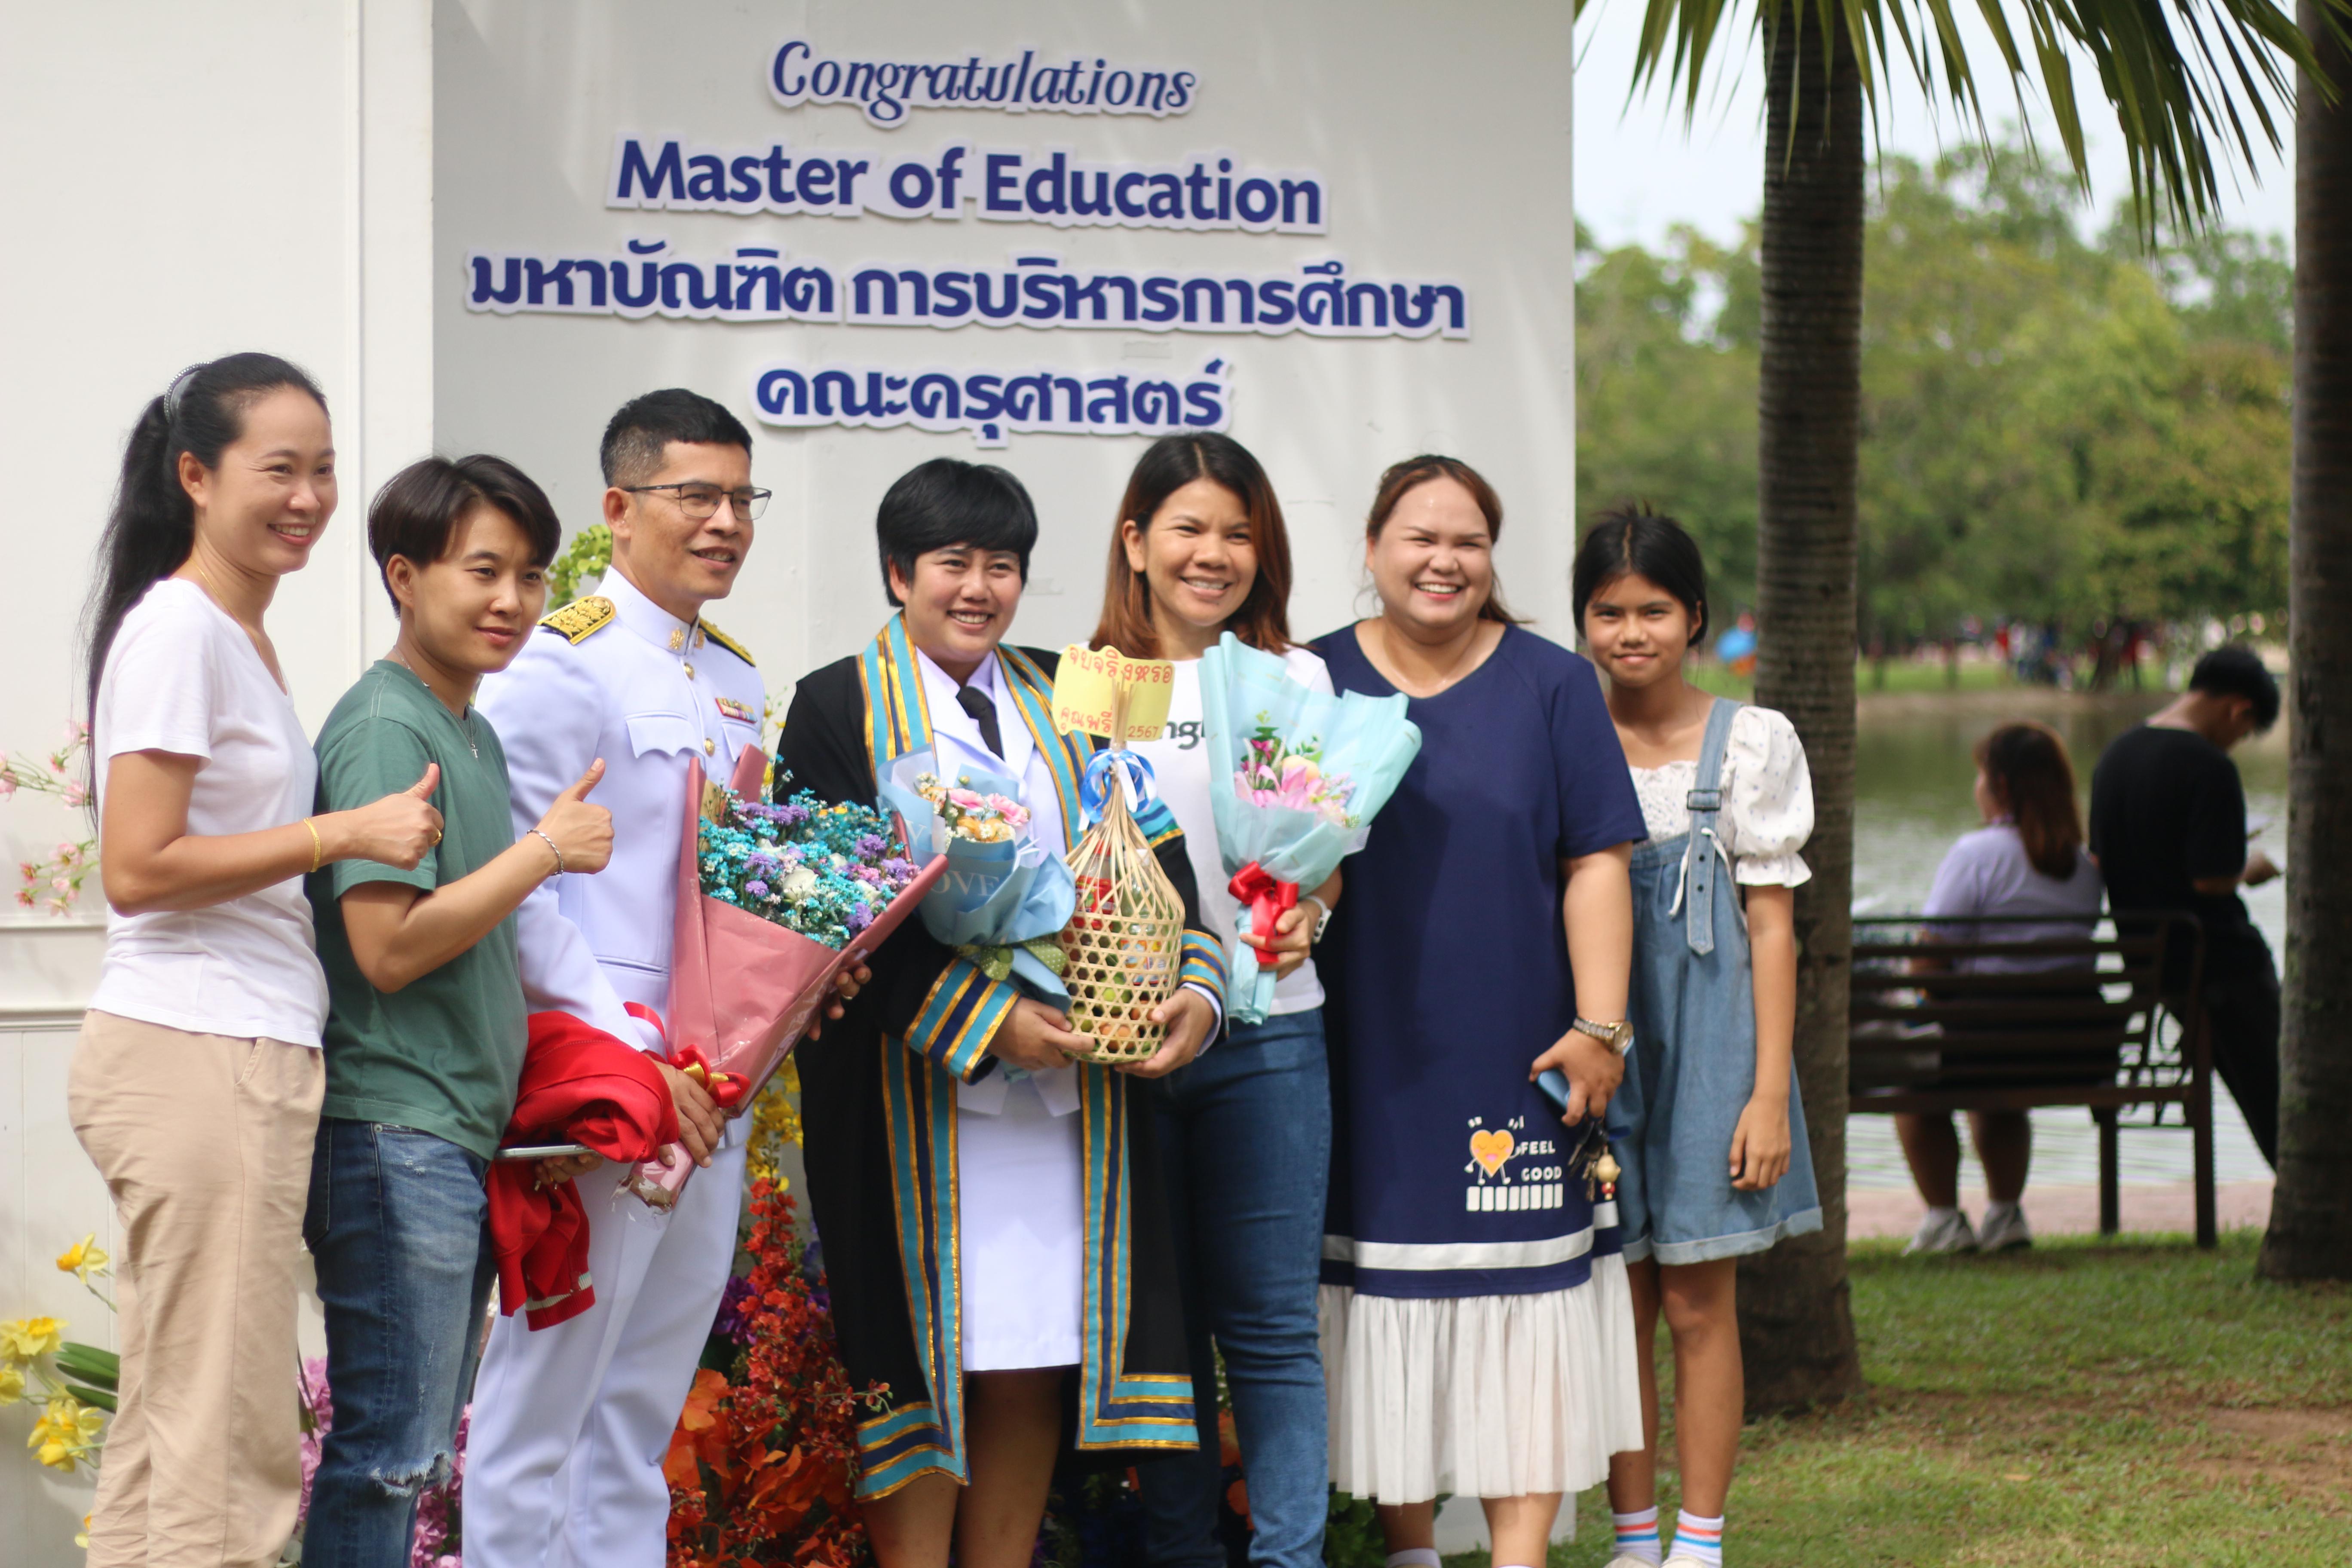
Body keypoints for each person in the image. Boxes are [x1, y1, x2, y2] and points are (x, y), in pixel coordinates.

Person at [778, 456, 1224, 1568]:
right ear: (897, 574)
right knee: (922, 1358)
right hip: (913, 1099)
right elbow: (834, 919)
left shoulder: (1071, 693)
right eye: (951, 564)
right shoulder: (836, 704)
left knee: (1027, 1346)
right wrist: (993, 1027)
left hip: (1066, 1106)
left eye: (1003, 566)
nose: (978, 588)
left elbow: (1159, 865)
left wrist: (1195, 996)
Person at [69, 354, 442, 1568]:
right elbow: (140, 866)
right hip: (201, 1051)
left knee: (172, 1442)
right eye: (277, 469)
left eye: (325, 470)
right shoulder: (182, 628)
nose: (309, 496)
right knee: (226, 1455)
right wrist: (347, 831)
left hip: (225, 1052)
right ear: (194, 475)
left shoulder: (228, 635)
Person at [1311, 456, 1645, 1568]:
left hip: (1522, 1053)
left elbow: (1596, 861)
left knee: (1529, 1309)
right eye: (1419, 537)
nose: (1443, 560)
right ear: (1371, 551)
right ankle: (1409, 1547)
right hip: (1360, 1053)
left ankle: (1519, 1555)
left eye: (1468, 540)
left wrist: (1601, 1030)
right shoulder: (1308, 684)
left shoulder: (1552, 685)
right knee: (1381, 1297)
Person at [463, 390, 773, 1568]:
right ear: (619, 507)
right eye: (697, 495)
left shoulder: (735, 678)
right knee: (543, 1403)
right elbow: (517, 883)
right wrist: (633, 1056)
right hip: (609, 1085)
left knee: (640, 1412)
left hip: (717, 1086)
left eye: (742, 498)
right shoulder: (560, 664)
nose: (726, 522)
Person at [301, 455, 616, 1568]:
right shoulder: (390, 727)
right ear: (403, 574)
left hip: (449, 1135)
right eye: (484, 571)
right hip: (395, 1135)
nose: (513, 602)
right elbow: (386, 952)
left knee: (416, 1453)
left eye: (530, 576)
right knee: (389, 1456)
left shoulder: (468, 728)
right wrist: (542, 853)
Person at [1092, 434, 1338, 1568]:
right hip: (1133, 1050)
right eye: (1189, 528)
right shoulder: (1095, 679)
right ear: (1137, 543)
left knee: (1275, 1331)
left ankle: (1290, 1558)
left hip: (1271, 1036)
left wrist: (1308, 914)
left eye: (1239, 532)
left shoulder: (1296, 679)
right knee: (1164, 1338)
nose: (1215, 554)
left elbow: (1319, 854)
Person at [1574, 507, 1821, 1568]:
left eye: (1654, 611)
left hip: (1714, 1044)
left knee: (1694, 1294)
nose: (1631, 633)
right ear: (1582, 620)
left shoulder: (1752, 740)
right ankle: (1631, 1538)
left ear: (1696, 620)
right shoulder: (1560, 731)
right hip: (1600, 1040)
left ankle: (1698, 1541)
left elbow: (1772, 925)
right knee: (1615, 1290)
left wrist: (1766, 1091)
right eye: (1608, 612)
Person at [1899, 723, 2107, 1255]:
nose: (1976, 786)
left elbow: (1927, 961)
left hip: (1988, 1047)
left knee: (1908, 1079)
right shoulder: (2084, 868)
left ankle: (1945, 1221)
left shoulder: (1977, 854)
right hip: (2070, 1051)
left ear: (2003, 786)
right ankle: (2006, 1214)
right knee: (1994, 1071)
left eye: (1980, 775)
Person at [2088, 645, 2282, 1167]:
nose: (2237, 743)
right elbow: (2213, 881)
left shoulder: (2117, 756)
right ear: (2238, 710)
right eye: (2244, 733)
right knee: (2282, 1097)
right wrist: (2253, 866)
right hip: (2220, 964)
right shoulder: (2208, 767)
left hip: (2155, 966)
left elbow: (2111, 857)